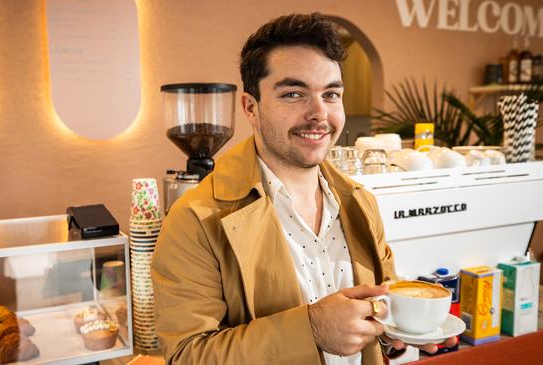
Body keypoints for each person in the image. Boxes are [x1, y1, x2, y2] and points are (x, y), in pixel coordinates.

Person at [151, 13, 456, 365]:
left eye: (331, 94)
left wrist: (393, 331)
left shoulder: (361, 202)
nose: (319, 113)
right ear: (251, 108)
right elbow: (188, 356)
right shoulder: (195, 219)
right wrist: (310, 330)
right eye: (294, 94)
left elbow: (380, 302)